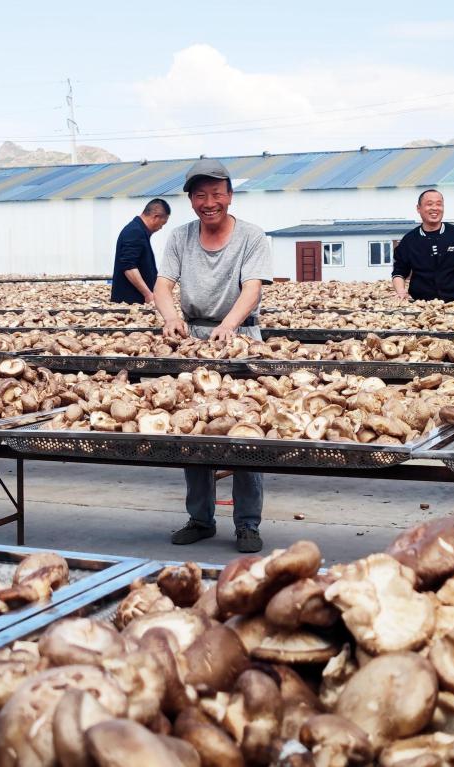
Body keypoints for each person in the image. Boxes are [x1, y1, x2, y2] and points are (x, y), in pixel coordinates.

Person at [153, 159, 273, 553]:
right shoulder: (179, 238)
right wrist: (171, 316)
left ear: (229, 196)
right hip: (193, 338)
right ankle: (201, 519)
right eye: (200, 195)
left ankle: (247, 523)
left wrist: (230, 325)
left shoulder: (252, 237)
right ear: (190, 200)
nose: (209, 202)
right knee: (195, 431)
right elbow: (163, 285)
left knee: (244, 432)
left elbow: (252, 288)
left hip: (240, 338)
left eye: (216, 194)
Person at [392, 189, 454, 302]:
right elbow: (399, 271)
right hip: (420, 304)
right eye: (429, 204)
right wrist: (400, 291)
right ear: (418, 208)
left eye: (439, 204)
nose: (435, 208)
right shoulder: (409, 240)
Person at [110, 199, 171, 304]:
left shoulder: (139, 230)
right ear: (155, 217)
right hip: (130, 302)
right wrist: (147, 294)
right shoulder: (135, 231)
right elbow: (128, 266)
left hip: (135, 301)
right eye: (162, 224)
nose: (161, 228)